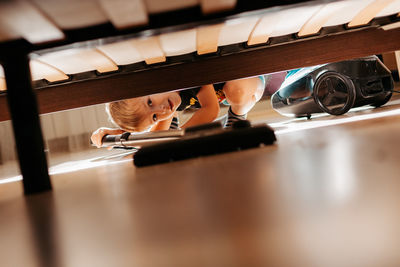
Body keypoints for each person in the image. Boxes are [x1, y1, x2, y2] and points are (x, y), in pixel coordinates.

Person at [91, 76, 265, 147]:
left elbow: (211, 110)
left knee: (238, 90)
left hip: (245, 81)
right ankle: (172, 125)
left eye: (150, 102)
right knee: (163, 133)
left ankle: (237, 116)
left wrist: (178, 138)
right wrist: (118, 136)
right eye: (154, 116)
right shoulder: (166, 103)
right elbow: (155, 137)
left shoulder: (184, 76)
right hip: (220, 94)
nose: (160, 109)